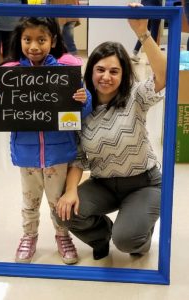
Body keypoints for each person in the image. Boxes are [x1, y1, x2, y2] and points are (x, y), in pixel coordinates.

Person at [55, 2, 166, 260]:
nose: (106, 76)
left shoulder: (136, 96)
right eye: (100, 69)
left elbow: (164, 76)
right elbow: (79, 158)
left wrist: (143, 32)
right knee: (63, 211)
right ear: (90, 71)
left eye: (114, 71)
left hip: (144, 183)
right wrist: (71, 191)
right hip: (103, 184)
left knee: (128, 241)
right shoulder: (80, 108)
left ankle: (138, 236)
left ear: (123, 74)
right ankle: (102, 236)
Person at [0, 17, 92, 264]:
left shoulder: (65, 73)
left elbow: (82, 113)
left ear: (53, 41)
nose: (34, 46)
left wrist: (82, 99)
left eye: (41, 40)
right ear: (19, 40)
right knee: (29, 201)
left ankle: (62, 236)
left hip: (59, 153)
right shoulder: (9, 74)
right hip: (27, 153)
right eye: (28, 39)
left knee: (58, 202)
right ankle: (28, 236)